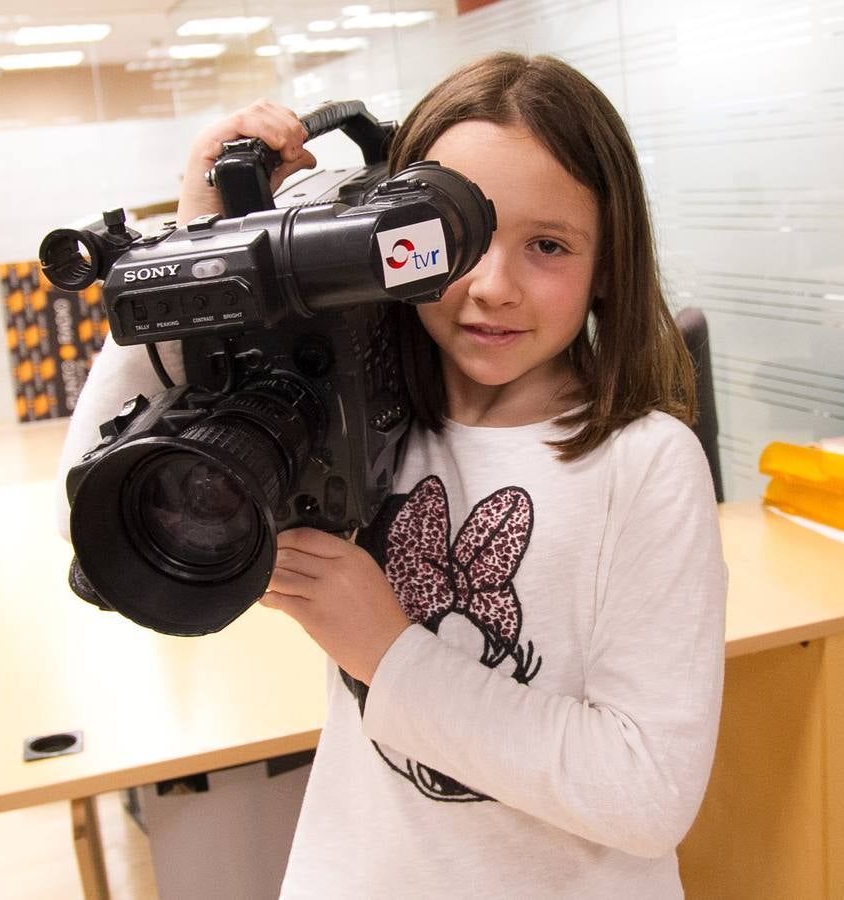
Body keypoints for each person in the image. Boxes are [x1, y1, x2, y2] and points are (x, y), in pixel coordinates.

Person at [57, 51, 727, 898]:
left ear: (608, 267)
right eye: (456, 244)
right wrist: (196, 244)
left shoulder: (643, 464)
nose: (492, 288)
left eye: (548, 246)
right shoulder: (359, 423)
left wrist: (386, 650)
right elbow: (94, 517)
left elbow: (647, 795)